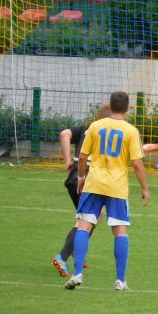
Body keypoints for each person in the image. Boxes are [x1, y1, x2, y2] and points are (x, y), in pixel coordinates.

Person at [65, 90, 150, 291]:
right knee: (120, 231)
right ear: (128, 109)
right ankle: (120, 281)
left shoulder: (95, 126)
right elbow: (137, 164)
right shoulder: (131, 131)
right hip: (117, 187)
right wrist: (145, 188)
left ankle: (77, 274)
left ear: (110, 107)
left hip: (94, 184)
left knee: (83, 226)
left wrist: (81, 178)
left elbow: (83, 157)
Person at [52, 102, 112, 277]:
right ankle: (63, 256)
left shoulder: (86, 129)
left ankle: (77, 251)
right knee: (88, 219)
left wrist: (68, 160)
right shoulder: (105, 134)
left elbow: (64, 134)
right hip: (86, 181)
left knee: (91, 216)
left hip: (74, 178)